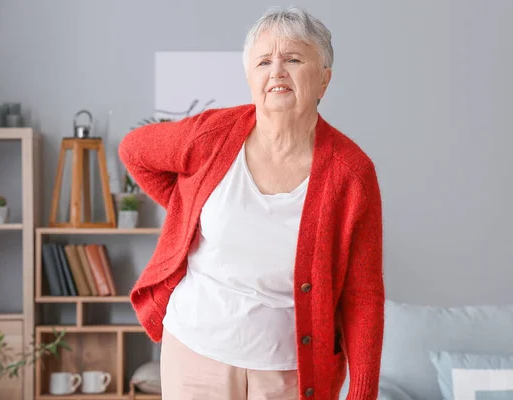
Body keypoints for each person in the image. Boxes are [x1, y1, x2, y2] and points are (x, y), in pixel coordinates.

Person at [119, 6, 384, 400]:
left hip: (289, 373)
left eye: (293, 59)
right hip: (194, 356)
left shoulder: (351, 173)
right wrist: (187, 211)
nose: (276, 70)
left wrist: (362, 394)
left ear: (323, 80)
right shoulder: (211, 135)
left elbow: (362, 294)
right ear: (250, 77)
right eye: (264, 61)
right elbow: (134, 150)